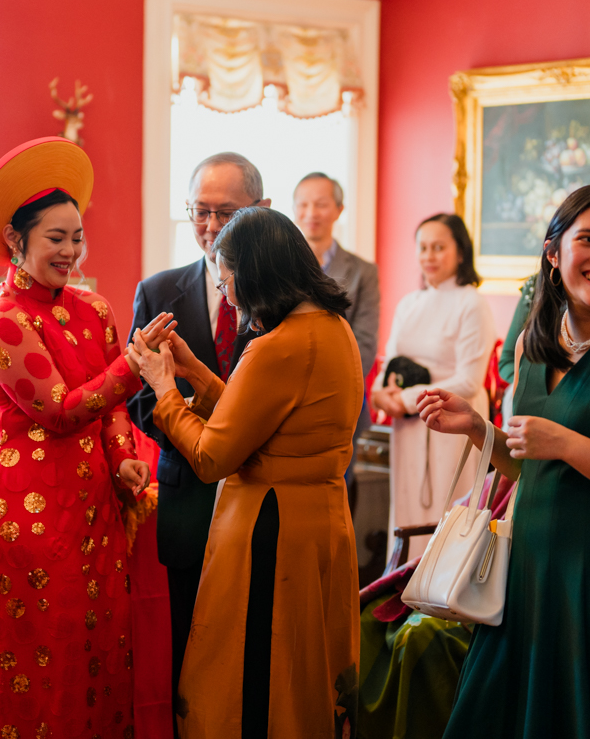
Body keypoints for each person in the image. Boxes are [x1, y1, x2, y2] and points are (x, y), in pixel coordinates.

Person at [417, 182, 590, 738]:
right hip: (527, 576)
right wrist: (480, 430)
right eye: (588, 240)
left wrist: (569, 443)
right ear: (554, 253)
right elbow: (531, 467)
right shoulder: (531, 342)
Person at [135, 206, 362, 739]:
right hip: (319, 520)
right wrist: (194, 371)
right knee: (305, 665)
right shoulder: (330, 328)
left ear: (254, 270)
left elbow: (215, 456)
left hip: (272, 529)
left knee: (258, 675)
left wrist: (166, 389)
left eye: (228, 273)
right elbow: (265, 420)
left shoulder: (275, 346)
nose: (226, 290)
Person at [0, 136, 153, 739]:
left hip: (94, 497)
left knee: (101, 643)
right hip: (28, 505)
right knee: (45, 654)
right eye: (56, 238)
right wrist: (134, 365)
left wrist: (124, 459)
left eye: (77, 237)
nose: (71, 250)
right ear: (17, 242)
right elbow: (61, 412)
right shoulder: (3, 321)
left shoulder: (95, 309)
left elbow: (109, 413)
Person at [126, 151, 266, 720]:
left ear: (259, 211)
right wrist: (198, 427)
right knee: (191, 647)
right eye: (199, 213)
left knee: (256, 646)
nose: (210, 228)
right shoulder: (159, 290)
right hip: (189, 495)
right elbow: (139, 397)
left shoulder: (282, 301)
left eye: (224, 213)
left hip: (262, 495)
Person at [371, 213, 495, 556]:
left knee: (447, 503)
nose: (429, 255)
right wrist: (381, 393)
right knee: (409, 503)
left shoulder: (472, 303)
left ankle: (447, 595)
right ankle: (405, 590)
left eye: (438, 247)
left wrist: (408, 400)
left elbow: (469, 379)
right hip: (408, 428)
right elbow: (391, 360)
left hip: (452, 422)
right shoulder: (410, 303)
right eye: (423, 247)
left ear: (460, 252)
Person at [294, 172, 380, 478]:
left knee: (336, 495)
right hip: (286, 402)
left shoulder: (363, 272)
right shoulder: (281, 269)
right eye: (302, 205)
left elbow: (366, 343)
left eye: (320, 204)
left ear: (339, 210)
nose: (311, 214)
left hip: (342, 404)